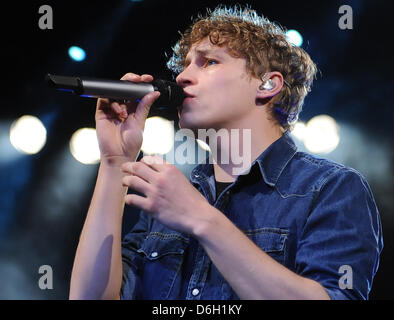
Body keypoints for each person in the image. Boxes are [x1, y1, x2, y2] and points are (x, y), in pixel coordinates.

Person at [69, 5, 383, 300]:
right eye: (187, 64)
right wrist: (115, 163)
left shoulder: (332, 189)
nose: (182, 77)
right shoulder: (174, 196)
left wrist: (200, 219)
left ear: (267, 84)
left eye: (209, 62)